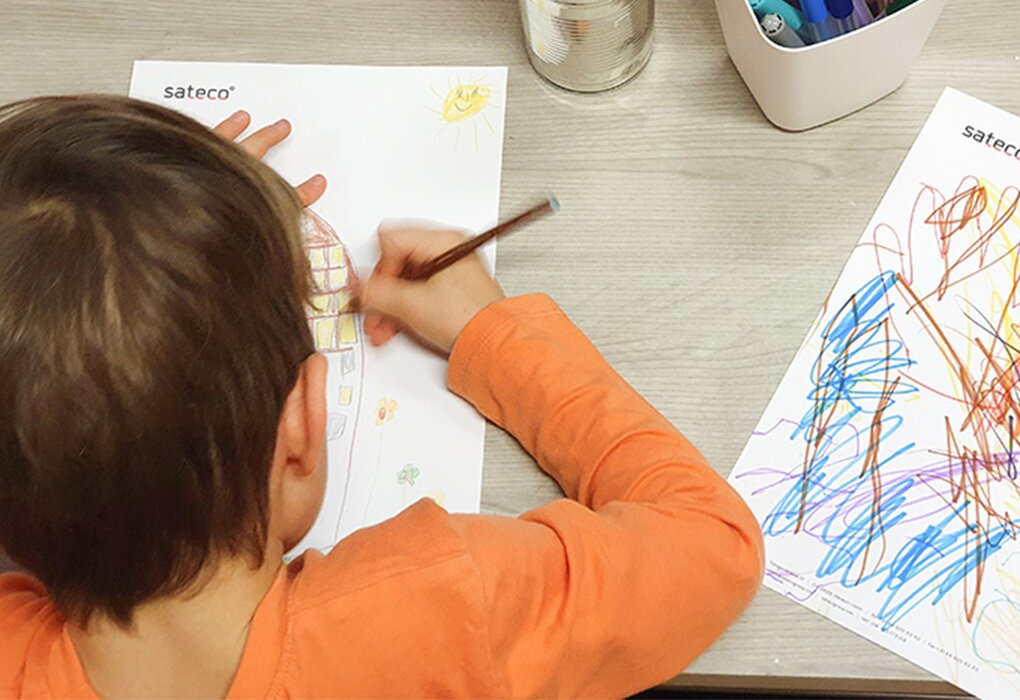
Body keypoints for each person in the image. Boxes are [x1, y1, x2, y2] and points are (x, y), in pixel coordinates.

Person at [0, 94, 764, 698]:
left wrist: (159, 237)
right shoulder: (434, 608)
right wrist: (491, 333)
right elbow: (710, 546)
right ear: (299, 429)